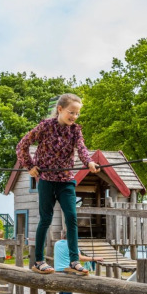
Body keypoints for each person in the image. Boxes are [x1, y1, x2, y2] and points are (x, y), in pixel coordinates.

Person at [16, 93, 100, 276]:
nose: (74, 117)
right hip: (46, 179)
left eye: (77, 114)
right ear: (60, 109)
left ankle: (74, 261)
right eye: (71, 112)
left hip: (66, 180)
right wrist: (29, 166)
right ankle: (38, 261)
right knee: (45, 219)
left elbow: (82, 149)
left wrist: (89, 162)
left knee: (71, 218)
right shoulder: (45, 126)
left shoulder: (75, 130)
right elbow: (22, 144)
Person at [53, 229, 102, 294]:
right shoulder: (72, 245)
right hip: (68, 272)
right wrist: (95, 258)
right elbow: (80, 258)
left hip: (58, 272)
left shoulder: (57, 244)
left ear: (62, 236)